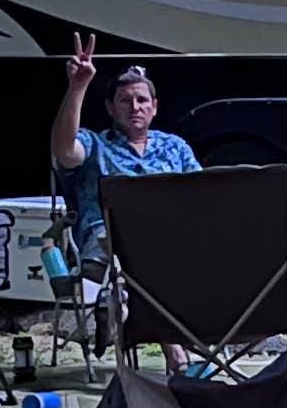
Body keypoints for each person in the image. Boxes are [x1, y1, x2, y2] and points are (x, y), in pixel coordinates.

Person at [47, 34, 197, 253]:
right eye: (125, 100)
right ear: (110, 108)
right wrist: (78, 87)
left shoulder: (176, 148)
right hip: (107, 251)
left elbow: (202, 196)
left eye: (142, 100)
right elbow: (64, 151)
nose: (135, 107)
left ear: (154, 107)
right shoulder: (94, 145)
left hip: (170, 243)